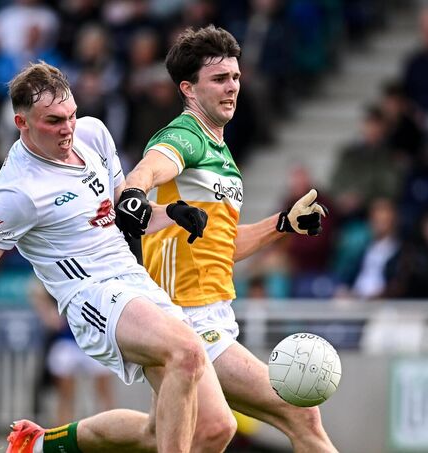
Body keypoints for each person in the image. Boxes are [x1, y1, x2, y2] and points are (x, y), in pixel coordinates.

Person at [0, 62, 236, 453]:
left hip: (136, 284)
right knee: (186, 352)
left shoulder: (93, 134)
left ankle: (39, 445)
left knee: (214, 426)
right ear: (22, 122)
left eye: (70, 115)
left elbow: (125, 213)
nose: (68, 128)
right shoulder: (17, 193)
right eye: (53, 121)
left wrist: (170, 213)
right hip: (92, 298)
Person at [116, 26, 338, 452]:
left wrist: (283, 225)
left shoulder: (221, 152)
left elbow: (221, 247)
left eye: (236, 77)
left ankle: (43, 443)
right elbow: (149, 168)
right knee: (288, 415)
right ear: (188, 89)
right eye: (219, 79)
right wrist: (133, 191)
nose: (232, 87)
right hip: (184, 319)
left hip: (214, 314)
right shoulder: (185, 136)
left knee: (152, 433)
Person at [28, 279, 114, 425]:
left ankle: (109, 437)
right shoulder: (64, 265)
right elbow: (36, 289)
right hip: (67, 341)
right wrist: (47, 313)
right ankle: (62, 439)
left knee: (104, 394)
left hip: (96, 341)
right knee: (66, 395)